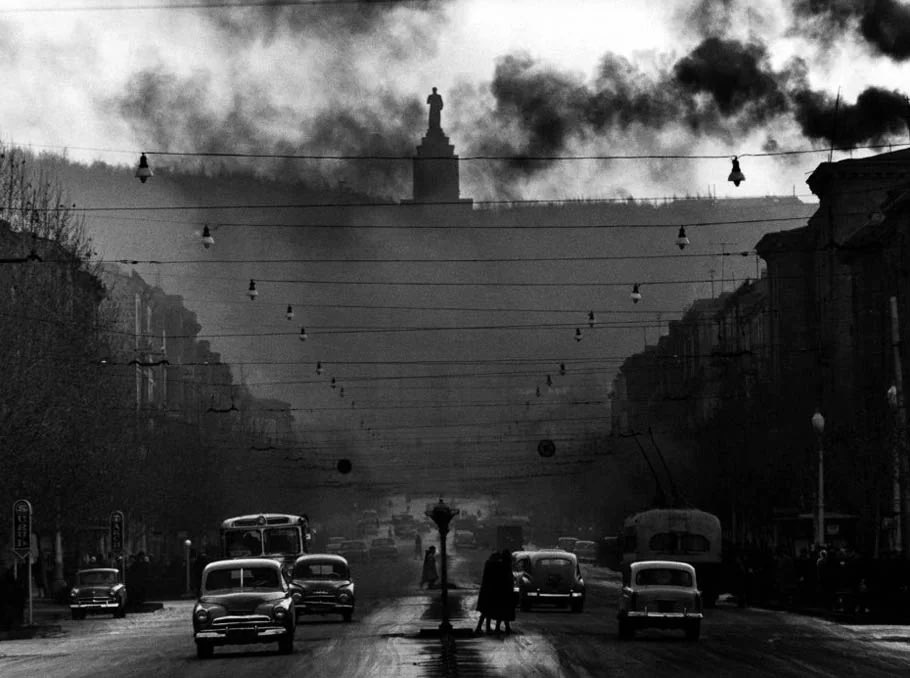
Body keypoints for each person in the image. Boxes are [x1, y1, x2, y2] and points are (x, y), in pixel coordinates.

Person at [475, 551, 500, 634]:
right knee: (487, 611)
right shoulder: (494, 565)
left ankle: (484, 627)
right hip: (491, 590)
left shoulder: (488, 563)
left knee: (486, 611)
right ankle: (483, 628)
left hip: (486, 590)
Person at [492, 549, 516, 634]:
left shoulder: (500, 564)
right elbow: (509, 578)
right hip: (507, 591)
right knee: (506, 610)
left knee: (500, 610)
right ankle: (506, 627)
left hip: (500, 591)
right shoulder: (508, 565)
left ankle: (498, 627)